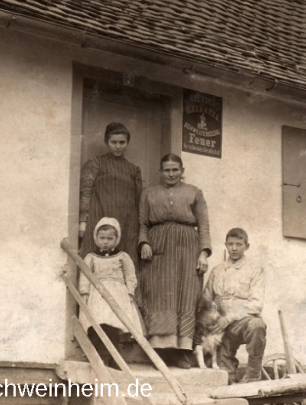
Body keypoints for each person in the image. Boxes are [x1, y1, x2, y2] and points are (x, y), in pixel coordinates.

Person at [139, 153, 211, 367]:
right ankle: (160, 350)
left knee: (186, 295)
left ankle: (182, 352)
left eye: (175, 170)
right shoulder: (149, 193)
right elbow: (142, 223)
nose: (171, 174)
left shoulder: (194, 193)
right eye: (167, 170)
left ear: (182, 171)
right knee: (158, 295)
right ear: (160, 172)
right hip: (158, 248)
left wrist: (203, 252)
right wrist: (144, 243)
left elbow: (204, 224)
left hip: (188, 248)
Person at [79, 122, 143, 302]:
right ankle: (92, 309)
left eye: (122, 142)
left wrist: (139, 230)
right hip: (99, 219)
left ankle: (126, 311)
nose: (118, 146)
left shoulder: (133, 170)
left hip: (127, 224)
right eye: (114, 142)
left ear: (127, 143)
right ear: (106, 141)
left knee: (125, 267)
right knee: (95, 263)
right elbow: (85, 192)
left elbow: (139, 200)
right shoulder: (95, 164)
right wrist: (83, 221)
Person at [202, 228, 266, 383]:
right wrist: (213, 318)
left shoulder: (255, 270)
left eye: (239, 244)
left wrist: (229, 318)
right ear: (226, 245)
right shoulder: (217, 271)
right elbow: (206, 299)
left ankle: (252, 374)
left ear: (247, 246)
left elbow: (256, 304)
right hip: (221, 328)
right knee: (224, 378)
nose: (234, 248)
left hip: (241, 323)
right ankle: (231, 384)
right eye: (230, 244)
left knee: (257, 324)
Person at [77, 218, 142, 365]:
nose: (105, 242)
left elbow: (130, 276)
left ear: (117, 239)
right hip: (97, 296)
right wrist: (85, 293)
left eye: (109, 239)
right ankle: (99, 357)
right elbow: (85, 276)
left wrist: (130, 292)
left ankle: (115, 358)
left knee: (113, 325)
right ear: (96, 238)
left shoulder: (122, 257)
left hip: (117, 295)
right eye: (102, 238)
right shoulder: (91, 257)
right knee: (97, 323)